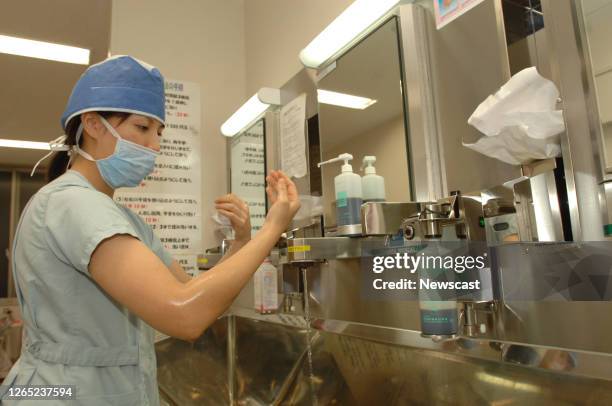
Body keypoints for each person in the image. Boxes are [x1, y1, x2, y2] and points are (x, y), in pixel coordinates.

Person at [0, 55, 299, 405]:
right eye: (142, 128)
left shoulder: (122, 218)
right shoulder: (73, 204)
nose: (155, 146)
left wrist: (242, 241)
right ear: (93, 124)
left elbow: (193, 295)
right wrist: (273, 227)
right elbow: (185, 316)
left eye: (159, 132)